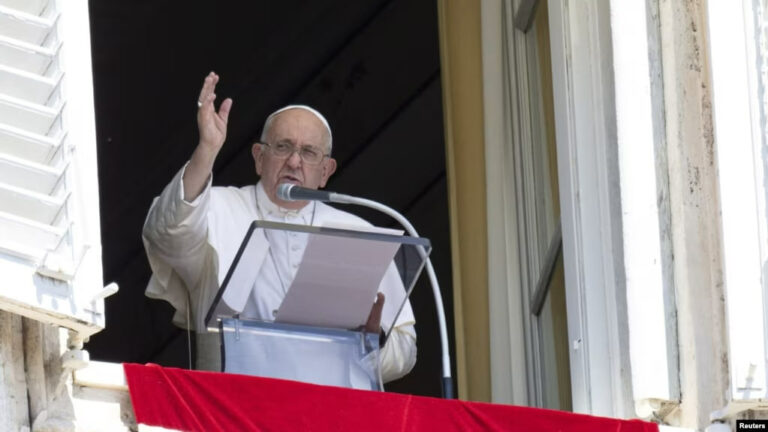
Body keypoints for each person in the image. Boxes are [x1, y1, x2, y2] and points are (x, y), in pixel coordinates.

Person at [142, 72, 417, 382]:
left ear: (325, 172)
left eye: (309, 152)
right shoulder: (219, 208)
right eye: (283, 147)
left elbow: (405, 352)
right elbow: (166, 231)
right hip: (233, 404)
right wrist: (207, 150)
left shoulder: (358, 232)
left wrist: (372, 340)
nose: (294, 162)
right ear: (259, 158)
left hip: (329, 407)